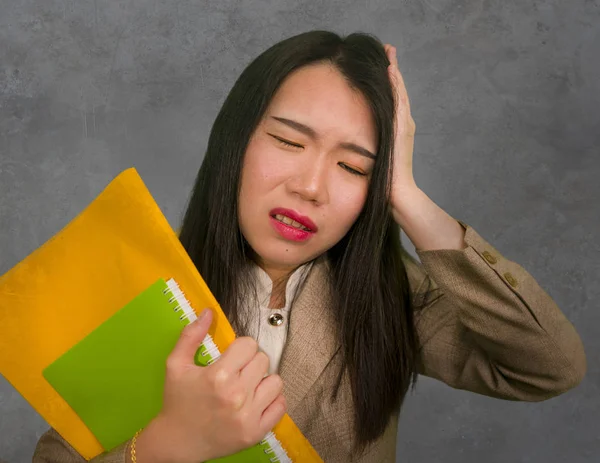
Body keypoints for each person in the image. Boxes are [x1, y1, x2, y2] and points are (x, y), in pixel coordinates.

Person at [33, 30, 586, 463]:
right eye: (288, 141)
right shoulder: (139, 286)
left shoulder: (391, 296)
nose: (312, 186)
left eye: (353, 166)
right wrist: (159, 448)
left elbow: (549, 366)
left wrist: (407, 197)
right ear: (236, 141)